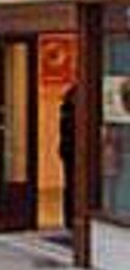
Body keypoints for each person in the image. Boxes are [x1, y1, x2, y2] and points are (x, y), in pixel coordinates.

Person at [59, 84, 76, 232]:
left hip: (67, 150)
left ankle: (69, 218)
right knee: (71, 184)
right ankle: (70, 218)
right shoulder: (70, 112)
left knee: (69, 184)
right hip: (71, 151)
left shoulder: (65, 110)